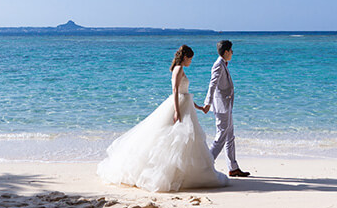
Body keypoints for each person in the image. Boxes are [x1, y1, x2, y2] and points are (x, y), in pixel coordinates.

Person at [97, 45, 229, 192]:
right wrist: (177, 112)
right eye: (190, 59)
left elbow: (185, 93)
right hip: (179, 107)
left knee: (187, 141)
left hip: (185, 106)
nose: (191, 61)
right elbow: (175, 90)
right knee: (175, 140)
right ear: (185, 57)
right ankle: (169, 174)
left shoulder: (180, 69)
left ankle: (186, 173)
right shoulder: (178, 69)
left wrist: (199, 107)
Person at [203, 39, 250, 177]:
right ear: (226, 52)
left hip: (227, 105)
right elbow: (212, 84)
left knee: (230, 137)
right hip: (221, 106)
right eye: (231, 50)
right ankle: (206, 164)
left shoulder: (223, 64)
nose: (232, 53)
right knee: (221, 137)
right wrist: (208, 103)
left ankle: (233, 167)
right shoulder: (218, 65)